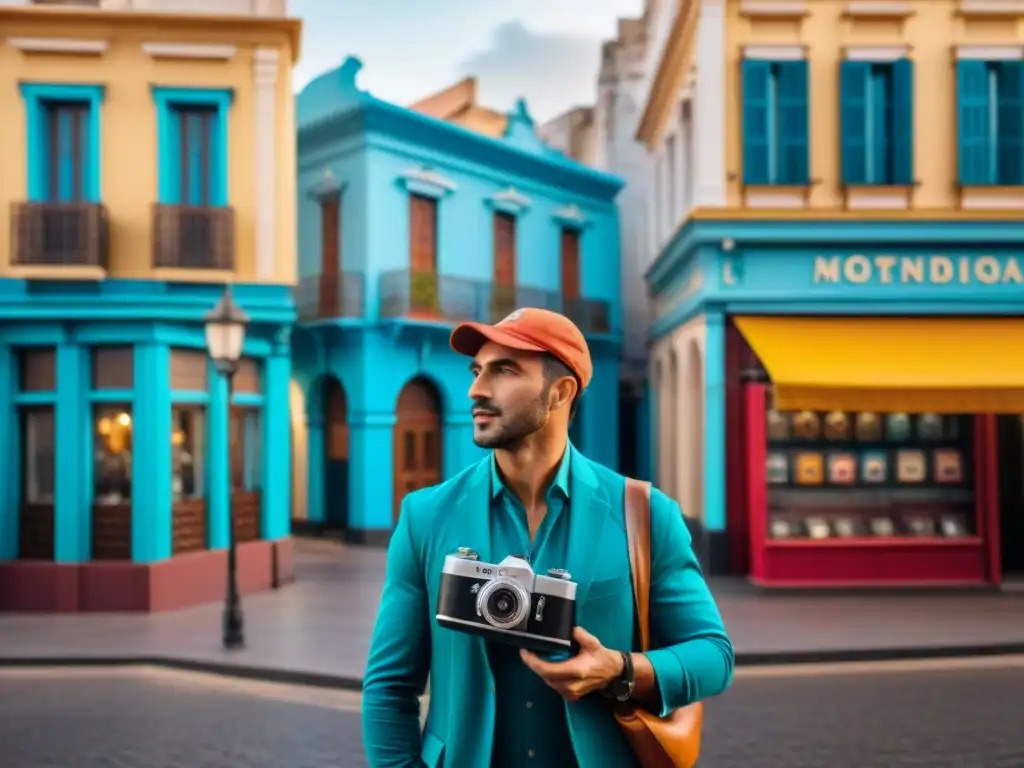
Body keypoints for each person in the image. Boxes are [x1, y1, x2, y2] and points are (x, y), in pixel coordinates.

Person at [362, 308, 734, 768]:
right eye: (477, 371)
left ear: (560, 391)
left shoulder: (645, 513)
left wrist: (620, 670)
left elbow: (714, 656)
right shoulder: (425, 517)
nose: (476, 389)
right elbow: (388, 687)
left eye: (504, 370)